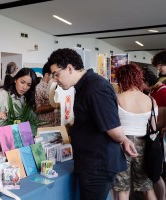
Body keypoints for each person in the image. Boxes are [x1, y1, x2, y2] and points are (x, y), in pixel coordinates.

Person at [47, 48, 137, 200]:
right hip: (92, 161)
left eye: (56, 74)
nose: (55, 79)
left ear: (69, 68)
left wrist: (123, 138)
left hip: (97, 164)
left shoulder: (95, 88)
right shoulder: (86, 86)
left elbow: (113, 130)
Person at [112, 64, 157, 200]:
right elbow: (154, 128)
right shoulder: (150, 100)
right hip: (144, 144)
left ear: (122, 79)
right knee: (147, 187)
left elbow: (112, 124)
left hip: (120, 144)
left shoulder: (117, 98)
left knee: (122, 189)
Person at [0, 68, 37, 133]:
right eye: (22, 82)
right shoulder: (2, 94)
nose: (24, 87)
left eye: (28, 85)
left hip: (15, 134)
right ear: (16, 80)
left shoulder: (24, 98)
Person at [143, 66, 166, 200]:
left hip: (159, 137)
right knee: (154, 172)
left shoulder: (162, 91)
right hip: (154, 135)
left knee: (157, 173)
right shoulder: (152, 92)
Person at [35, 62, 60, 127]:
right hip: (46, 126)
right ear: (46, 75)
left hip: (57, 124)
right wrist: (56, 106)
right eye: (54, 75)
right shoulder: (38, 88)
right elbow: (37, 109)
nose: (56, 77)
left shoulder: (55, 86)